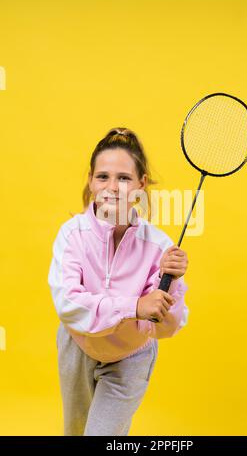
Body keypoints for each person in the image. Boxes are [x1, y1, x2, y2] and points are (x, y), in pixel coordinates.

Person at [48, 127, 189, 436]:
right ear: (90, 180)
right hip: (77, 347)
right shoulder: (71, 235)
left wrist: (172, 284)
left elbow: (165, 328)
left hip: (130, 357)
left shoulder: (159, 246)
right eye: (103, 177)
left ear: (141, 184)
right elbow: (69, 304)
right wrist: (134, 306)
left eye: (124, 178)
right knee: (75, 432)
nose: (112, 187)